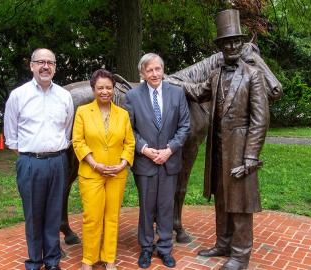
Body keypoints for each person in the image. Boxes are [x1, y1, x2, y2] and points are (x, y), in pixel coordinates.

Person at [181, 10, 270, 270]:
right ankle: (223, 242)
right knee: (221, 200)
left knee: (241, 205)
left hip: (242, 150)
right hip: (218, 151)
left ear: (241, 45)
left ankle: (241, 256)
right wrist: (172, 82)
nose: (231, 46)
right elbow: (198, 92)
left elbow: (260, 120)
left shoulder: (253, 75)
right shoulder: (217, 74)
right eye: (226, 42)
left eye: (236, 41)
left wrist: (251, 156)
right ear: (220, 47)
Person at [4, 48, 74, 270]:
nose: (46, 66)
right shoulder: (18, 95)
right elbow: (11, 136)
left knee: (54, 213)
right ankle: (35, 261)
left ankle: (52, 261)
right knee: (33, 215)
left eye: (50, 62)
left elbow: (67, 130)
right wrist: (31, 156)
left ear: (55, 67)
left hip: (58, 162)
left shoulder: (64, 96)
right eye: (40, 62)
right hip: (30, 163)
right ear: (31, 65)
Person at [124, 53, 190, 269]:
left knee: (165, 206)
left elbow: (184, 126)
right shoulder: (133, 96)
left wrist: (169, 150)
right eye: (149, 70)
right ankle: (145, 248)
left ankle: (164, 248)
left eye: (157, 69)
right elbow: (129, 129)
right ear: (142, 73)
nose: (154, 73)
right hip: (145, 162)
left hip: (169, 161)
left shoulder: (177, 93)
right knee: (146, 207)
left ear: (163, 70)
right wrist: (144, 149)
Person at [72, 69, 135, 270]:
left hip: (116, 174)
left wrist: (123, 163)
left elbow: (130, 143)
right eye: (100, 88)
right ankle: (88, 259)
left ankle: (109, 259)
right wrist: (94, 164)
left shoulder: (123, 115)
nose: (105, 91)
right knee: (92, 217)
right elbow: (78, 141)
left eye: (108, 87)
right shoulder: (82, 112)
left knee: (112, 217)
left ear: (113, 89)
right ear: (93, 89)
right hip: (92, 173)